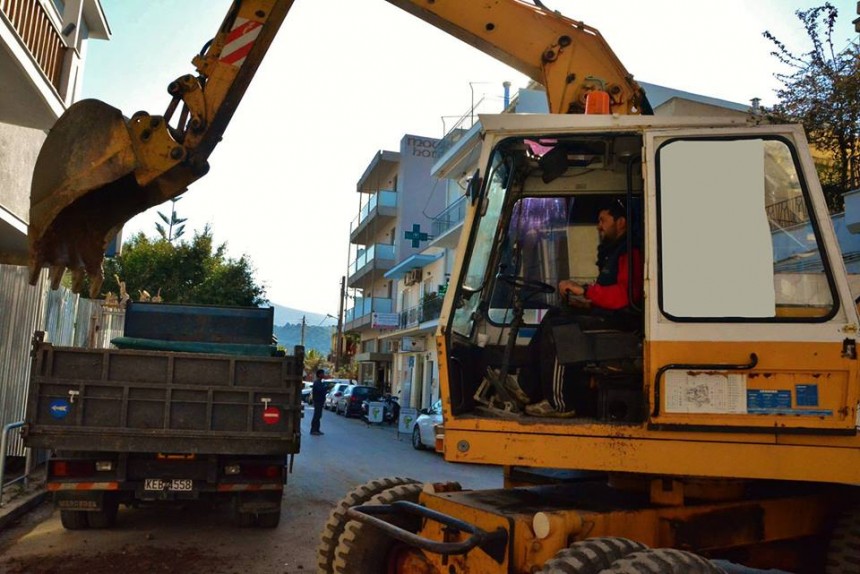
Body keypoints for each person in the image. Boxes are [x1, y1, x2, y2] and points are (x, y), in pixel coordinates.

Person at [524, 200, 643, 417]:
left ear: (621, 222)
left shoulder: (630, 253)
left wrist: (585, 291)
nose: (599, 226)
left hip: (623, 325)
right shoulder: (613, 252)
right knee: (554, 315)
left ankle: (560, 404)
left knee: (559, 330)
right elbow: (608, 293)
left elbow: (624, 296)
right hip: (609, 316)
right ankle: (527, 389)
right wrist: (586, 302)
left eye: (603, 221)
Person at [310, 369, 327, 435]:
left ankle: (317, 429)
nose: (323, 375)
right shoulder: (317, 382)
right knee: (316, 415)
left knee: (319, 415)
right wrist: (325, 388)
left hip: (320, 401)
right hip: (318, 401)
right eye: (322, 373)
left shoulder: (320, 382)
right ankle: (313, 430)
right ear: (319, 374)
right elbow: (319, 390)